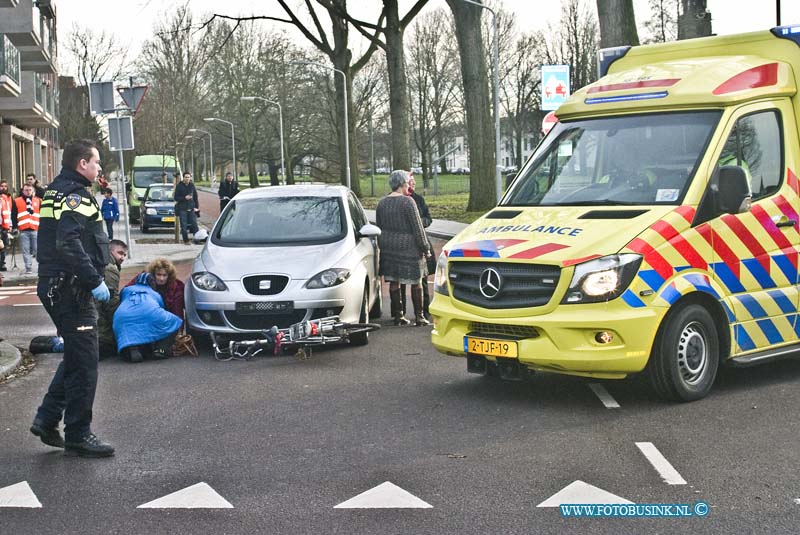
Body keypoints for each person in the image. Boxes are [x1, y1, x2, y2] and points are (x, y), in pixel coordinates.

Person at [31, 139, 114, 458]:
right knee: (86, 362)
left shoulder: (56, 189)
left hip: (58, 285)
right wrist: (94, 281)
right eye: (96, 163)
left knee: (78, 357)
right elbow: (69, 243)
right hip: (72, 290)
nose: (99, 168)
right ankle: (79, 432)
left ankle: (47, 418)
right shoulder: (76, 196)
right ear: (82, 164)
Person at [375, 169, 431, 326]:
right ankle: (419, 316)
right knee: (416, 280)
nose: (409, 186)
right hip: (409, 248)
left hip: (388, 247)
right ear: (400, 184)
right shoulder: (408, 202)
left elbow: (380, 226)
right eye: (407, 183)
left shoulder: (382, 203)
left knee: (394, 281)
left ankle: (398, 315)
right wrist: (425, 248)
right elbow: (417, 228)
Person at [113, 272, 182, 363]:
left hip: (122, 316)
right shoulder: (155, 294)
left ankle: (131, 347)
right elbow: (160, 307)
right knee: (175, 321)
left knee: (129, 327)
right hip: (149, 313)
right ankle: (161, 349)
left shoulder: (126, 290)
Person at [400, 174, 434, 320]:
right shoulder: (396, 199)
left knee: (423, 277)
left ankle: (425, 311)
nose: (412, 186)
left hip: (419, 238)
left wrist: (419, 222)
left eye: (413, 183)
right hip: (403, 243)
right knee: (400, 280)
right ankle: (400, 312)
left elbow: (428, 218)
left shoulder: (419, 199)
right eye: (410, 183)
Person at [127, 258, 185, 325]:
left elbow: (177, 311)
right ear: (153, 274)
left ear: (169, 276)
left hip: (166, 320)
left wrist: (179, 331)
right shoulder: (143, 279)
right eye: (158, 275)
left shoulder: (175, 288)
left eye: (164, 275)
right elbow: (128, 289)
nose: (161, 279)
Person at [97, 240, 128, 360]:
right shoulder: (110, 269)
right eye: (120, 253)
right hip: (100, 330)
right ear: (110, 251)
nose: (123, 258)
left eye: (125, 255)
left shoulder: (101, 262)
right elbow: (111, 302)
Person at [11, 183, 41, 274]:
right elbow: (13, 215)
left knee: (38, 250)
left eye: (30, 190)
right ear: (23, 191)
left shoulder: (38, 201)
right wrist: (15, 227)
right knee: (25, 250)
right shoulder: (17, 201)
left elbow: (42, 215)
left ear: (33, 191)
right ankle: (28, 267)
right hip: (23, 229)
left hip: (35, 229)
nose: (28, 192)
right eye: (26, 190)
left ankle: (41, 266)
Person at [174, 171, 199, 244]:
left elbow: (195, 197)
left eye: (188, 177)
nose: (187, 179)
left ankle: (197, 239)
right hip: (182, 208)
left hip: (191, 208)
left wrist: (196, 207)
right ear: (183, 178)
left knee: (194, 225)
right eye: (186, 177)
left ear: (190, 178)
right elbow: (176, 198)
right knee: (184, 226)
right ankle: (186, 240)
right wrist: (184, 198)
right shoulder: (179, 186)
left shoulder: (192, 185)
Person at [0, 180, 11, 271]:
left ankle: (2, 263)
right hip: (2, 225)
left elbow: (7, 213)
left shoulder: (7, 198)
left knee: (3, 245)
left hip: (3, 226)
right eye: (1, 186)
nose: (3, 188)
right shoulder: (2, 199)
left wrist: (8, 226)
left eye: (5, 186)